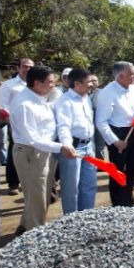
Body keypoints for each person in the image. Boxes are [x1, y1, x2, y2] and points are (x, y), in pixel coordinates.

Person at [10, 65, 78, 236]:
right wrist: (61, 147)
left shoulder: (40, 98)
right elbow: (32, 138)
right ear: (36, 83)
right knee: (38, 197)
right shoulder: (25, 105)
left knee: (41, 194)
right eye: (49, 82)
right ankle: (35, 236)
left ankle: (25, 227)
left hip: (44, 151)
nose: (53, 86)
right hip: (31, 152)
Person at [95, 61, 134, 207]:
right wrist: (115, 141)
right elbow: (101, 122)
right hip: (117, 133)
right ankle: (118, 205)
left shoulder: (133, 88)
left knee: (133, 168)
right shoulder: (107, 93)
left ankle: (129, 200)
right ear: (121, 76)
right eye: (132, 74)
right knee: (117, 172)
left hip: (132, 131)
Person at [53, 68, 98, 215]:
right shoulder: (64, 102)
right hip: (73, 148)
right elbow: (63, 127)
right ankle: (72, 221)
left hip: (88, 146)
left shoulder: (86, 98)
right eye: (89, 82)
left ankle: (87, 217)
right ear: (77, 84)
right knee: (71, 189)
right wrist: (67, 146)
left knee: (89, 185)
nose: (92, 84)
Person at [0, 58, 34, 195]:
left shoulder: (37, 84)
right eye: (25, 66)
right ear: (18, 67)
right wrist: (12, 120)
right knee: (14, 152)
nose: (28, 70)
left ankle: (30, 183)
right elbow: (3, 105)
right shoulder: (9, 85)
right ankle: (13, 183)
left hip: (34, 125)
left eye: (31, 67)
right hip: (15, 125)